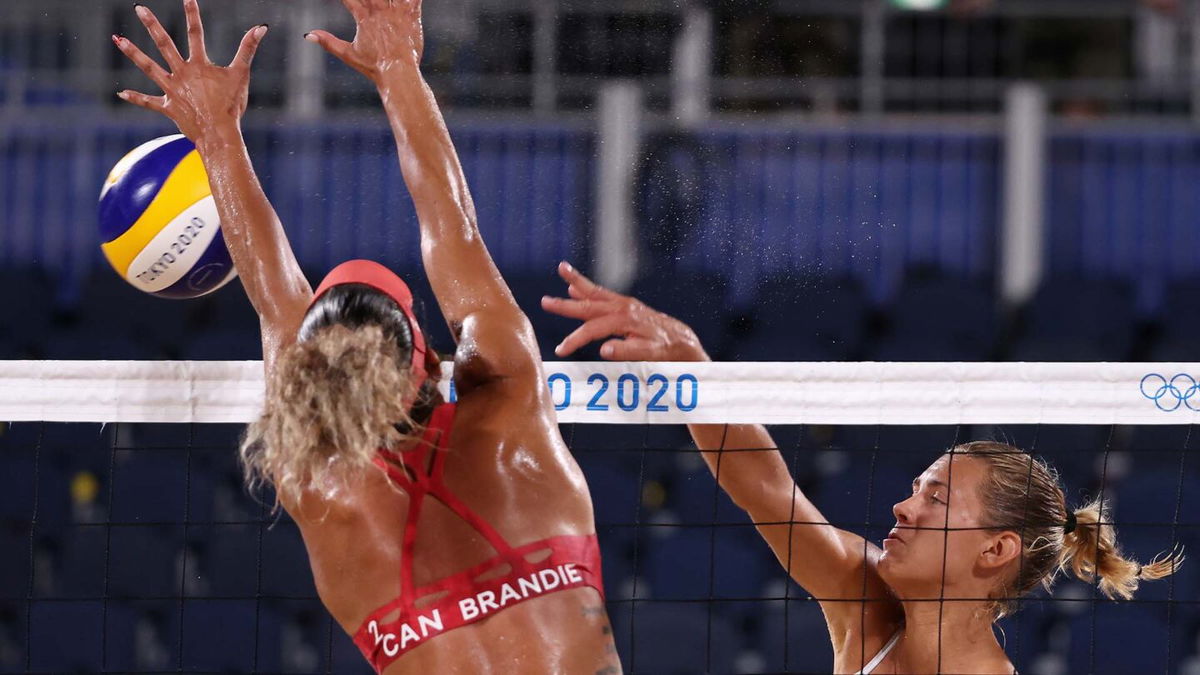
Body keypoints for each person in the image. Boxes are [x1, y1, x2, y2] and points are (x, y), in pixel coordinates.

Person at [112, 2, 619, 673]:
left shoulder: (325, 494)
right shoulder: (511, 410)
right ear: (429, 355)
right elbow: (452, 226)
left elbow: (276, 301)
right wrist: (398, 68)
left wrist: (218, 139)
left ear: (309, 381)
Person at [542, 262, 1184, 675]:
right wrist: (696, 368)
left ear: (996, 549)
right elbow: (763, 486)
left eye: (936, 499)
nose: (904, 508)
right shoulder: (864, 597)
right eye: (915, 490)